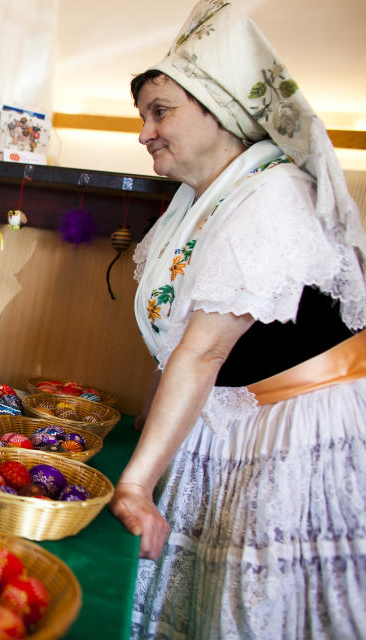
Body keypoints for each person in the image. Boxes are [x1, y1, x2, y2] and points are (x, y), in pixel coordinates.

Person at [108, 1, 366, 638]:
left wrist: (136, 485)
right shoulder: (196, 200)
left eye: (159, 111)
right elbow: (175, 347)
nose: (145, 133)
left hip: (295, 432)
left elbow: (200, 353)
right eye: (143, 116)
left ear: (217, 107)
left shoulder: (273, 195)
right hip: (234, 423)